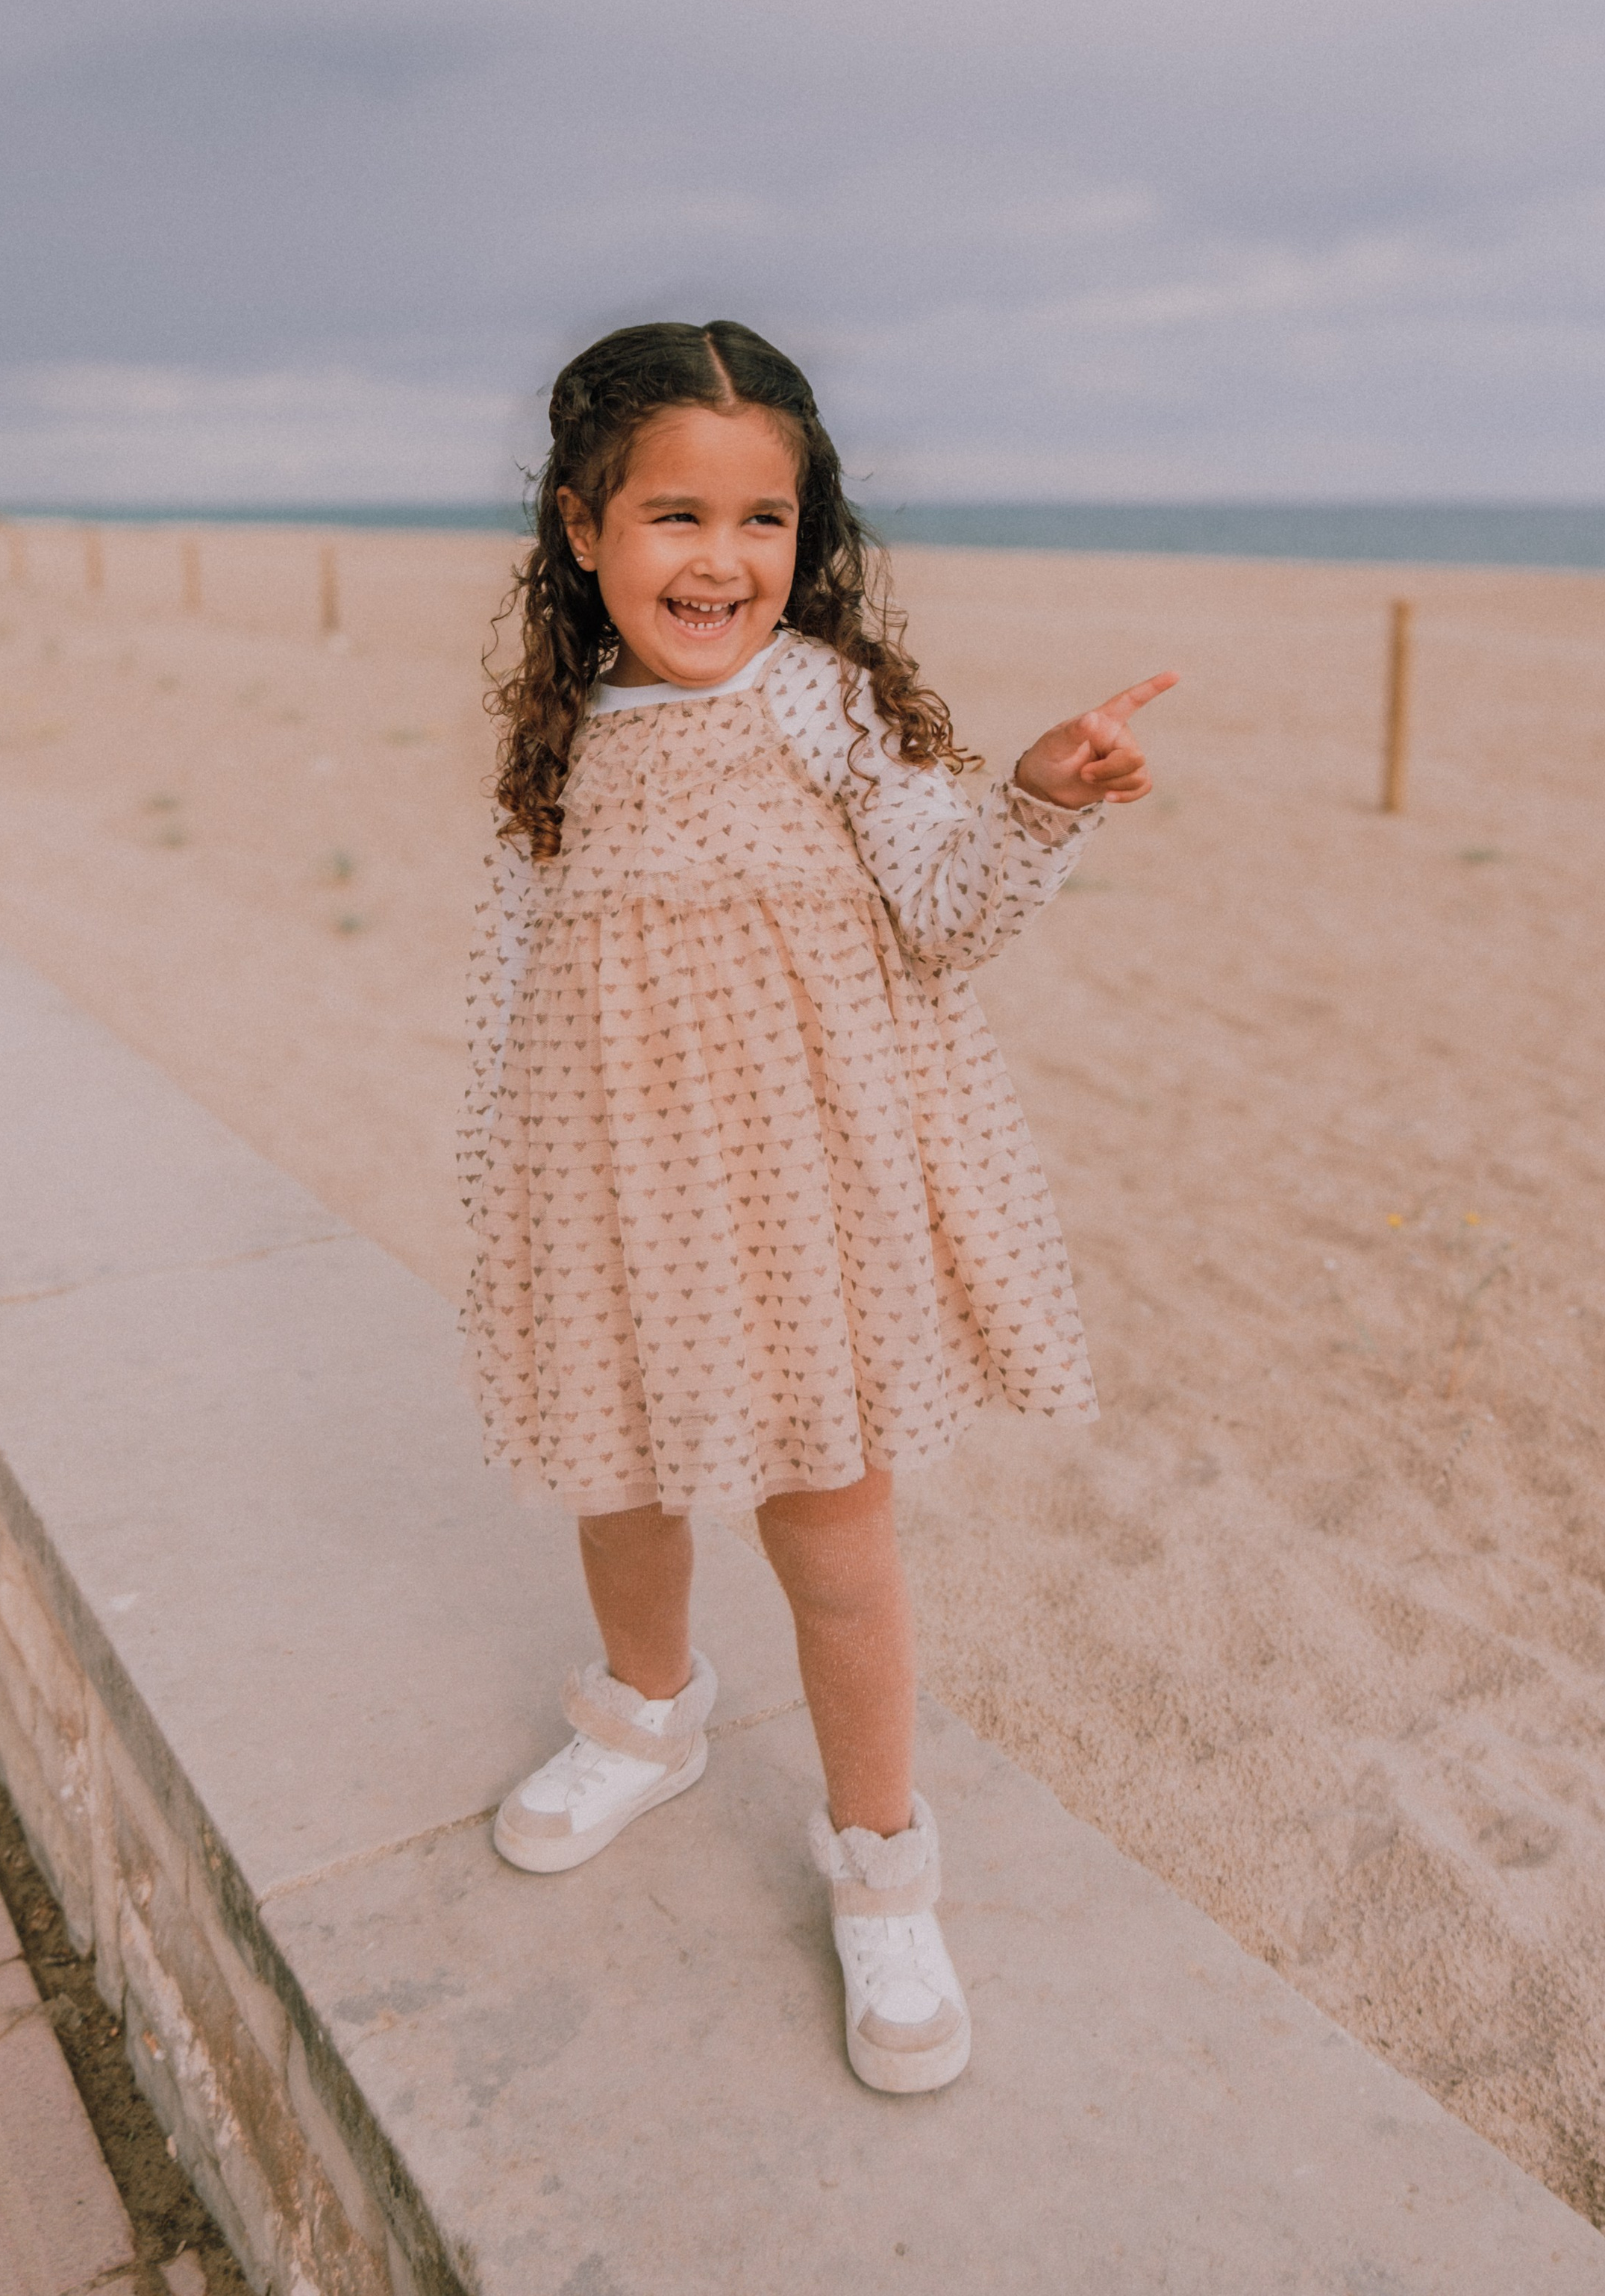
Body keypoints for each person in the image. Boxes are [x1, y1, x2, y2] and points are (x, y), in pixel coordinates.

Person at [459, 320, 1173, 2094]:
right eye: (674, 516)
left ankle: (878, 1867)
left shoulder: (819, 701)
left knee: (828, 1530)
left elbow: (940, 910)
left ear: (806, 532)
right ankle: (647, 1715)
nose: (720, 560)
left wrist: (1030, 797)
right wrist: (517, 1183)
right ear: (581, 530)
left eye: (761, 519)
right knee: (617, 1476)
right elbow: (518, 979)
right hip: (611, 1177)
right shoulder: (557, 739)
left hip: (796, 1194)